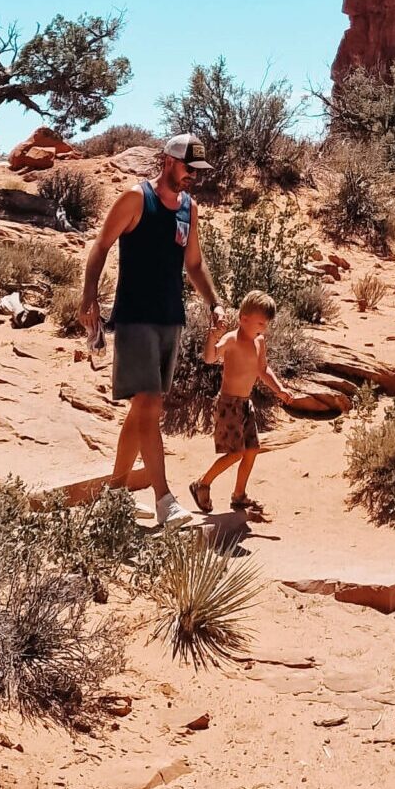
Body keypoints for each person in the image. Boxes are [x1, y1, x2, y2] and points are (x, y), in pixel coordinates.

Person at [79, 133, 224, 528]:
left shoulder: (188, 209)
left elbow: (194, 264)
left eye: (197, 171)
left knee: (141, 410)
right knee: (150, 406)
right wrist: (89, 296)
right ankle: (164, 499)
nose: (193, 176)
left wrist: (214, 302)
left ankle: (112, 498)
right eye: (188, 168)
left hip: (169, 318)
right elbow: (101, 246)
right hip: (136, 316)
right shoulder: (135, 199)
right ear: (167, 161)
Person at [189, 290, 298, 517]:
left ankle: (239, 495)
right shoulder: (231, 339)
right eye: (259, 322)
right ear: (243, 318)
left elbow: (263, 369)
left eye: (266, 324)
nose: (263, 328)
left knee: (252, 450)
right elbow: (210, 358)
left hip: (245, 403)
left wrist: (279, 389)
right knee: (235, 453)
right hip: (229, 404)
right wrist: (212, 338)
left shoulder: (259, 342)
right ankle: (202, 483)